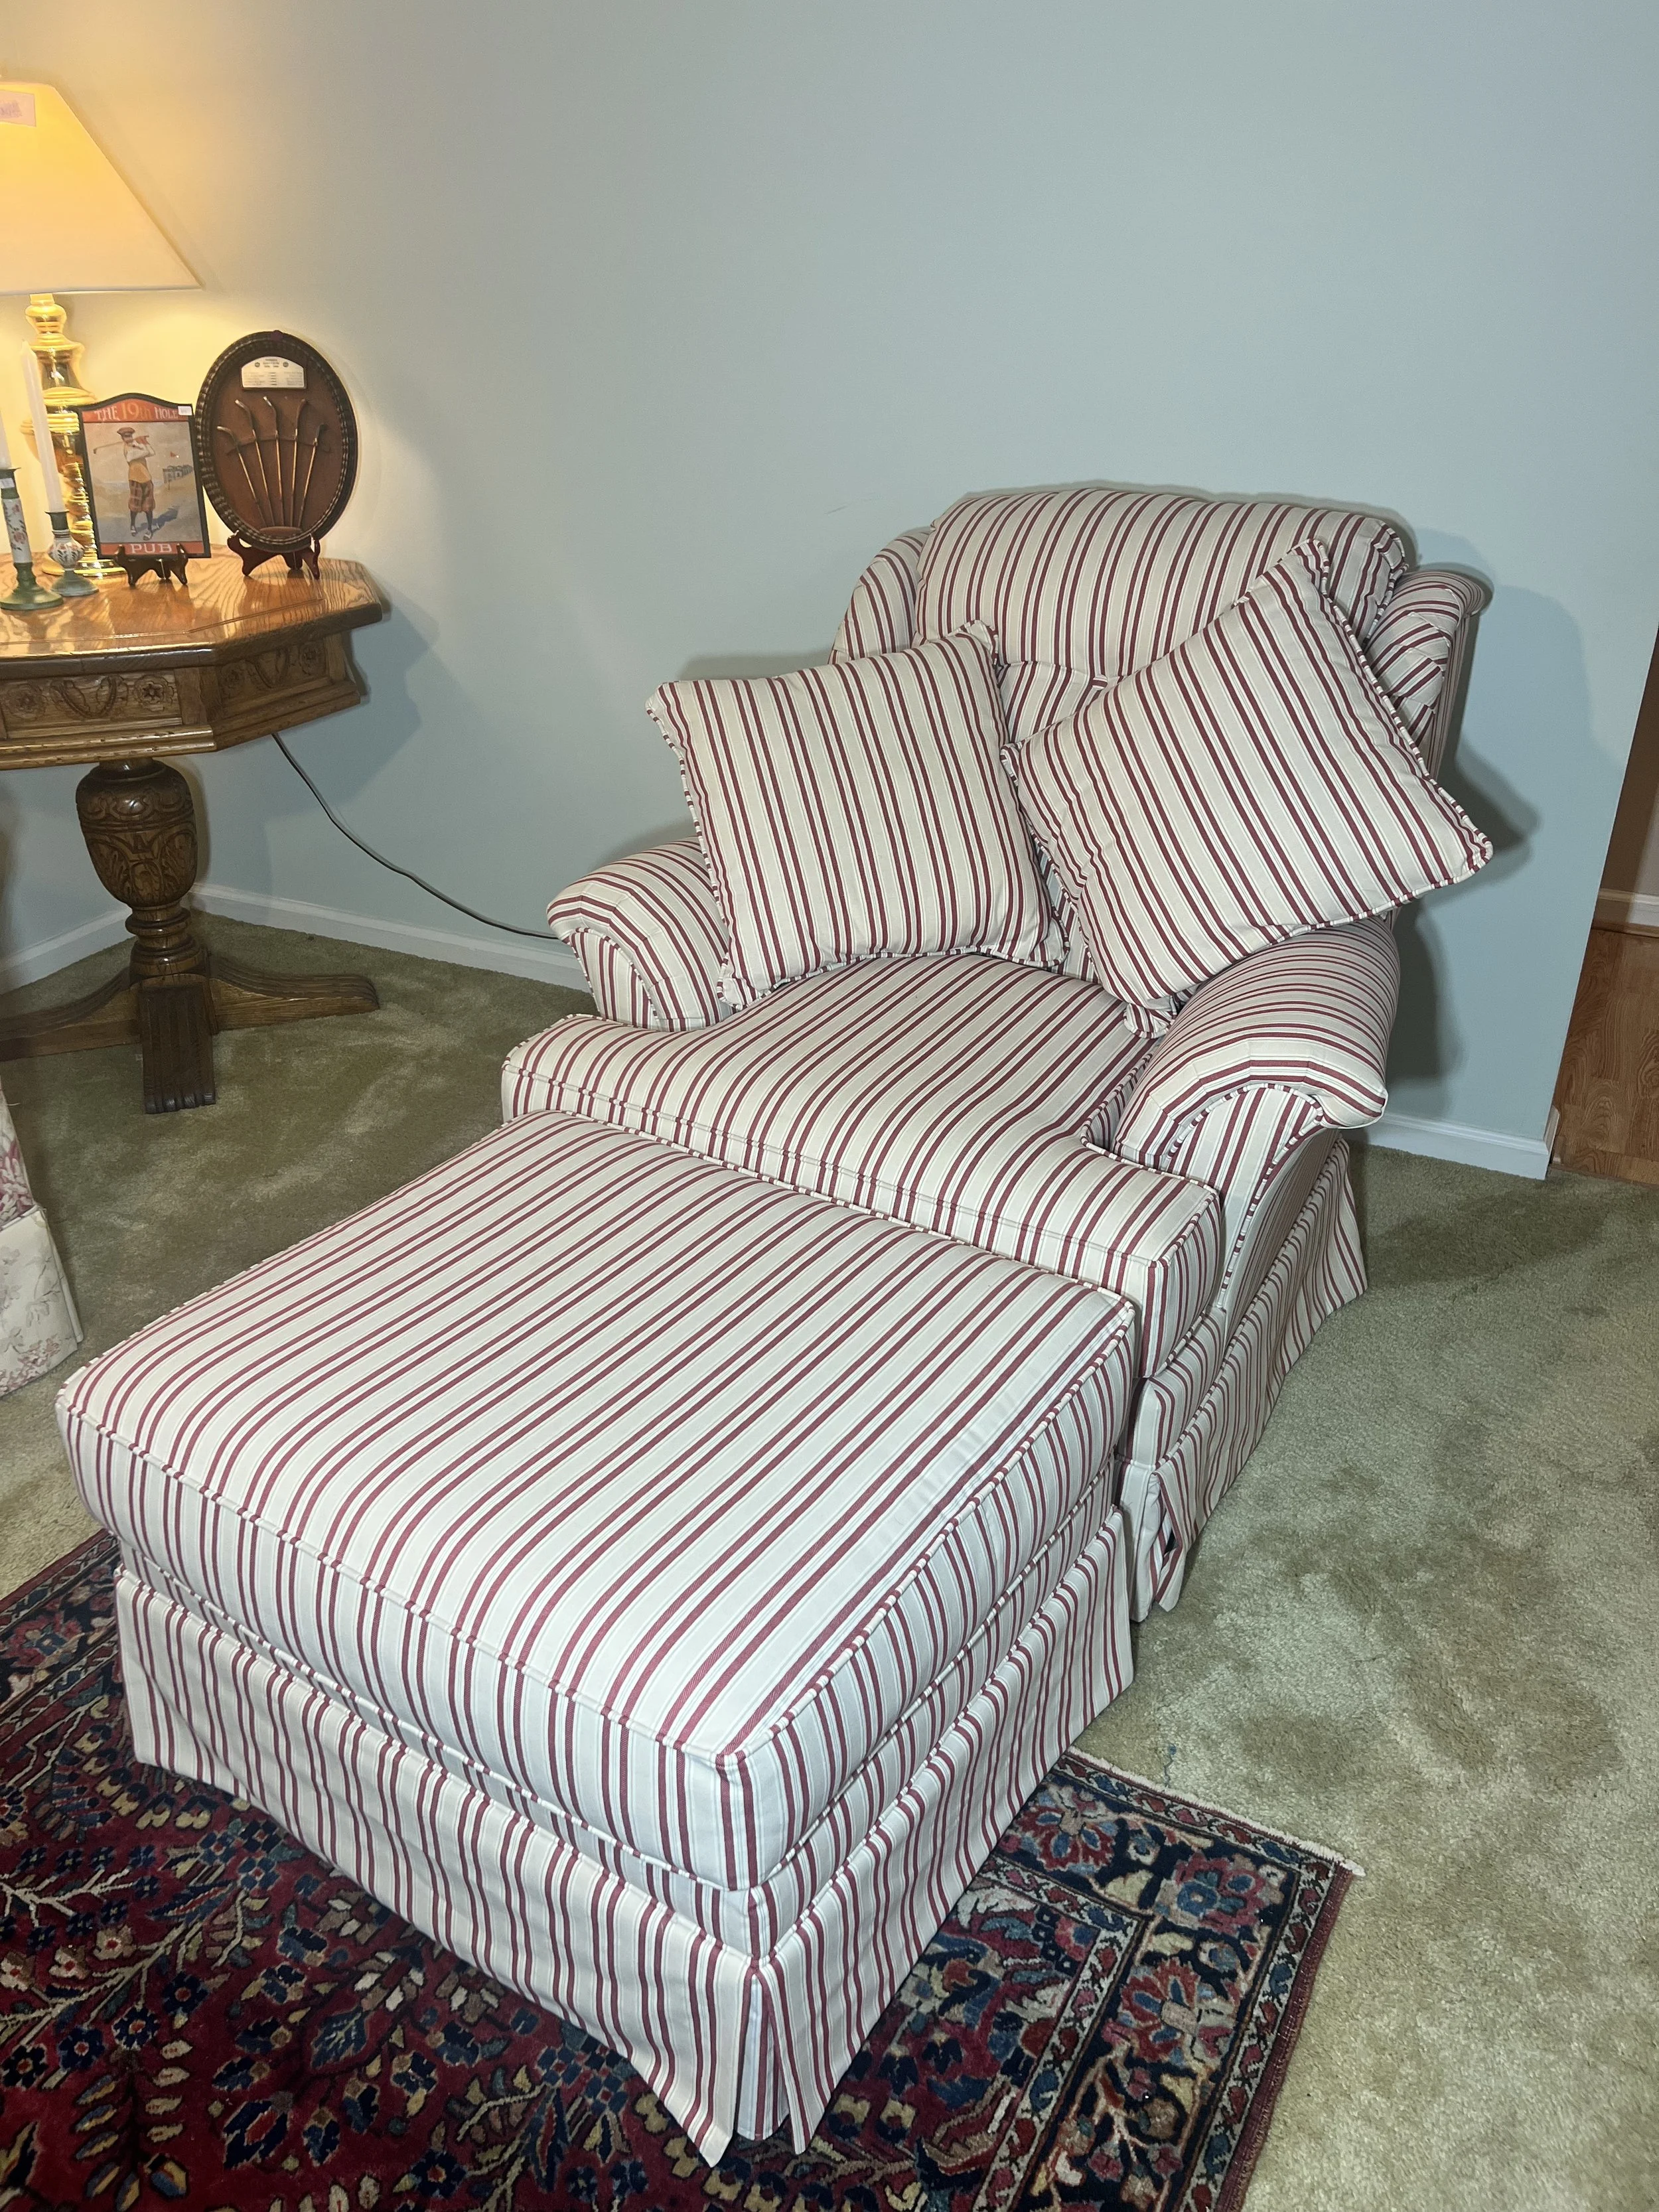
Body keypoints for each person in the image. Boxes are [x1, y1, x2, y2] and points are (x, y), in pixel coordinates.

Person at [117, 425, 155, 540]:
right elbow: (142, 454)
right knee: (135, 505)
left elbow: (152, 452)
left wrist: (144, 442)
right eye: (125, 437)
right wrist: (140, 445)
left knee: (148, 506)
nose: (128, 439)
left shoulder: (136, 446)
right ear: (123, 438)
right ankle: (133, 525)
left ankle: (149, 529)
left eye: (130, 436)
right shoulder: (128, 450)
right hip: (135, 479)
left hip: (147, 478)